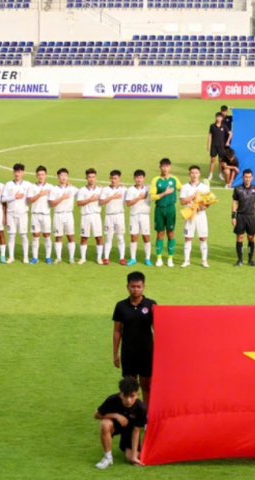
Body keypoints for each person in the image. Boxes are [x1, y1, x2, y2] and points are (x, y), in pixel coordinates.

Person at [112, 271, 157, 406]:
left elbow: (158, 328)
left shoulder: (151, 305)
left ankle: (146, 414)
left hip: (146, 352)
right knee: (130, 387)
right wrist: (115, 353)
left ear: (144, 287)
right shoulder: (121, 306)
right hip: (128, 352)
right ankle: (132, 412)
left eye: (139, 286)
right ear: (127, 287)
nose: (136, 289)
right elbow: (117, 331)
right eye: (133, 286)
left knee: (146, 385)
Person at [94, 376, 147, 470]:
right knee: (105, 424)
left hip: (129, 431)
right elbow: (97, 415)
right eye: (125, 396)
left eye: (132, 396)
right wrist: (115, 415)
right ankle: (108, 457)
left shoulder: (141, 408)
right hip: (115, 426)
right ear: (120, 394)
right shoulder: (112, 400)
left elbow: (136, 431)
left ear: (137, 395)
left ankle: (127, 449)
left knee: (131, 459)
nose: (128, 400)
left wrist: (134, 456)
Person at [151, 158, 182, 268]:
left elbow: (183, 190)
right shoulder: (155, 180)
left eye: (167, 166)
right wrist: (165, 193)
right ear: (160, 167)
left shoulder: (174, 179)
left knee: (170, 233)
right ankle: (159, 259)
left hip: (170, 209)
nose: (165, 169)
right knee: (160, 233)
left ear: (170, 167)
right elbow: (152, 196)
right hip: (159, 209)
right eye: (163, 166)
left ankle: (170, 259)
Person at [1, 163, 33, 264]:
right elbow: (3, 199)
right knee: (11, 235)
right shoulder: (8, 184)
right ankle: (11, 257)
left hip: (23, 213)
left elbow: (35, 193)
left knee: (23, 235)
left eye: (19, 172)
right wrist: (14, 196)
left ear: (23, 172)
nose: (17, 174)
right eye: (15, 171)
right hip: (10, 213)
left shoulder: (28, 185)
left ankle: (25, 257)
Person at [179, 166, 211, 268]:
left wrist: (204, 207)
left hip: (201, 215)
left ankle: (204, 261)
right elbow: (182, 201)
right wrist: (193, 196)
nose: (194, 175)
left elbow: (209, 202)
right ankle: (186, 260)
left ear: (199, 174)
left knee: (203, 237)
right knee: (188, 237)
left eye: (196, 173)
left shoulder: (205, 187)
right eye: (192, 173)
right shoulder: (184, 187)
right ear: (189, 174)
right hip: (189, 215)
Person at [231, 169, 255, 266]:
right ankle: (239, 260)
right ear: (242, 177)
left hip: (251, 216)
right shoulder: (238, 189)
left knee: (251, 238)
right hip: (240, 216)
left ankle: (250, 260)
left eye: (249, 177)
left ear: (252, 178)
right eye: (246, 177)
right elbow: (234, 202)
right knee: (240, 237)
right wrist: (233, 216)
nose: (247, 179)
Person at [48, 168, 79, 264]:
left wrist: (99, 187)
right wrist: (62, 198)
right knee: (58, 236)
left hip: (69, 214)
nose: (63, 177)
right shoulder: (54, 189)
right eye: (62, 175)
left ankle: (71, 258)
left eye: (65, 175)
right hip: (58, 215)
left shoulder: (72, 188)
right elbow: (51, 204)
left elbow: (84, 192)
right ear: (58, 177)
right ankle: (58, 257)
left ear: (68, 177)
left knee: (70, 236)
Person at [26, 166, 53, 265]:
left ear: (46, 175)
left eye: (43, 174)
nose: (41, 176)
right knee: (35, 236)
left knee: (47, 235)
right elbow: (29, 200)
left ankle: (48, 257)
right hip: (35, 214)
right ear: (36, 176)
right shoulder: (31, 187)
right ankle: (35, 257)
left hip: (46, 215)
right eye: (39, 175)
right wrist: (40, 194)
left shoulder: (50, 187)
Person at [76, 168, 104, 265]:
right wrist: (90, 200)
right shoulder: (82, 190)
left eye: (93, 177)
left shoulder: (100, 190)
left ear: (96, 178)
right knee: (84, 237)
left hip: (96, 216)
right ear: (86, 178)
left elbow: (110, 191)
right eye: (89, 177)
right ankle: (83, 258)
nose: (91, 179)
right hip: (85, 216)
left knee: (99, 237)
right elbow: (79, 203)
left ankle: (99, 258)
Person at [125, 169, 152, 267]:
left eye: (141, 177)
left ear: (144, 178)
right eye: (137, 177)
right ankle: (133, 258)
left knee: (146, 237)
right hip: (134, 216)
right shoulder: (130, 190)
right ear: (134, 178)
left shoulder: (148, 188)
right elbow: (128, 203)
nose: (139, 179)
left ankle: (147, 258)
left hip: (144, 216)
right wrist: (139, 198)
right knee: (133, 237)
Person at [101, 170, 127, 266]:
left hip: (119, 216)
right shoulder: (105, 189)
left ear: (119, 179)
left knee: (120, 237)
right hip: (109, 216)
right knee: (108, 237)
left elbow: (134, 191)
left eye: (115, 178)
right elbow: (102, 202)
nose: (113, 180)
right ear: (109, 178)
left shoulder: (124, 190)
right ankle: (106, 258)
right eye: (112, 178)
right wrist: (113, 196)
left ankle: (122, 258)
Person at [207, 112, 232, 182]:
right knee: (212, 160)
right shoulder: (212, 126)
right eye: (218, 117)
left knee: (221, 160)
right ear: (216, 118)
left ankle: (220, 175)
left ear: (222, 118)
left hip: (221, 146)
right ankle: (210, 174)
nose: (219, 118)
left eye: (220, 117)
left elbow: (230, 133)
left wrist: (227, 142)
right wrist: (208, 145)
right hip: (214, 145)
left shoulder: (224, 126)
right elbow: (210, 135)